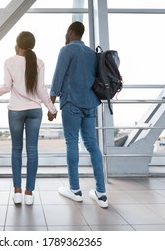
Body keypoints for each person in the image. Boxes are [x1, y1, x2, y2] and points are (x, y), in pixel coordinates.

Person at [0, 31, 57, 205]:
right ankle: (29, 193)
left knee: (16, 149)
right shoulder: (39, 62)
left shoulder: (9, 62)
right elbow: (41, 89)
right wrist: (52, 108)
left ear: (17, 44)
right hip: (35, 111)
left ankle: (17, 191)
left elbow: (6, 87)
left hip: (15, 111)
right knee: (32, 151)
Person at [48, 21, 108, 208]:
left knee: (71, 143)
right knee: (92, 144)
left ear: (72, 32)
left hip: (72, 102)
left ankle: (75, 189)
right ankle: (101, 193)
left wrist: (51, 106)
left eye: (66, 32)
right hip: (90, 104)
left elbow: (58, 77)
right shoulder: (92, 53)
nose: (65, 36)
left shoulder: (66, 50)